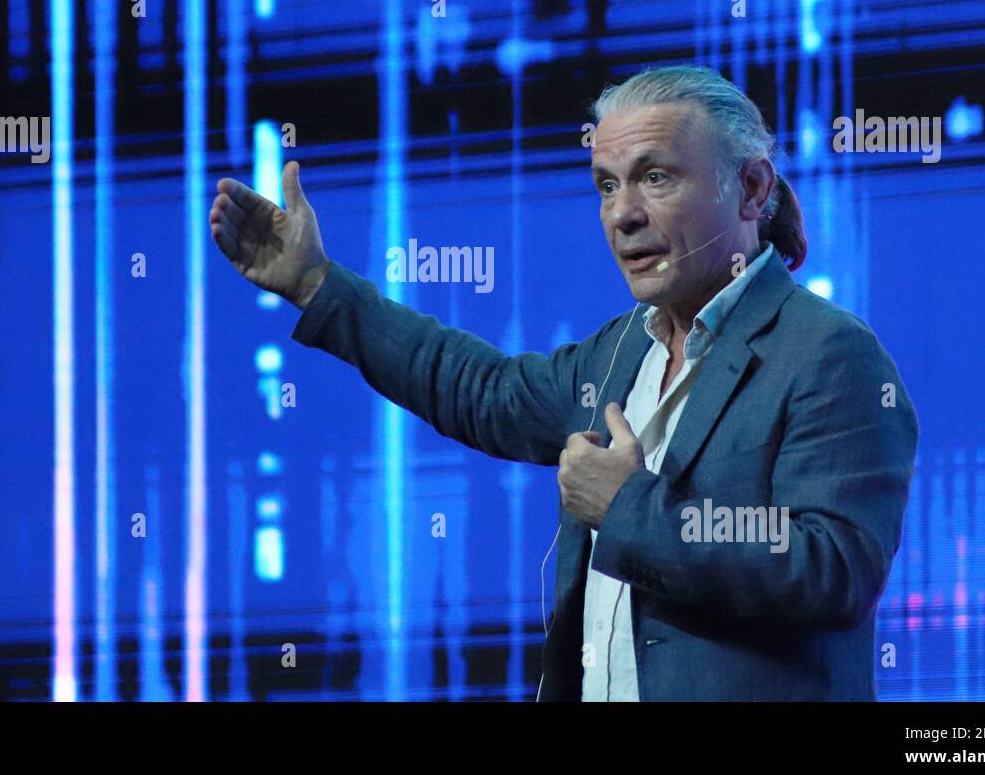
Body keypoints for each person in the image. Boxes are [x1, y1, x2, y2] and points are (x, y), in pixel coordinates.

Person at [209, 65, 919, 701]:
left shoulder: (827, 355)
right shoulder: (618, 355)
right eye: (607, 185)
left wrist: (629, 509)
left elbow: (834, 571)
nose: (622, 213)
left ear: (751, 188)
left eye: (656, 176)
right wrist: (315, 284)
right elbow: (476, 387)